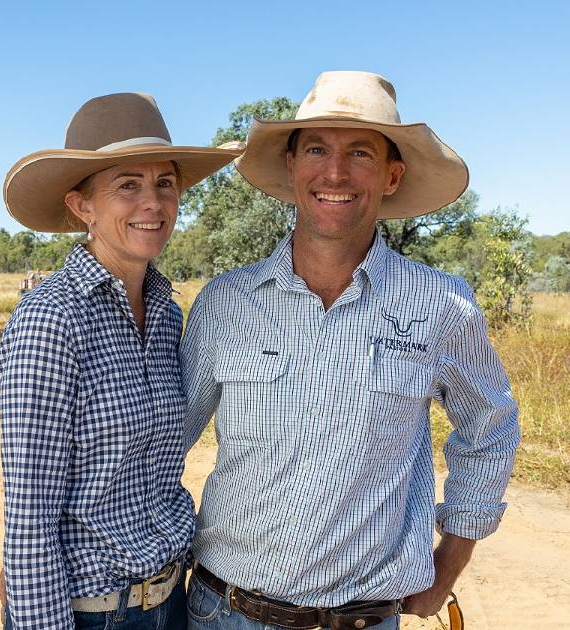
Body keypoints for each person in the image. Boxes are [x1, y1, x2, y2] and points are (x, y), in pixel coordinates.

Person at [180, 71, 521, 630]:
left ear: (392, 175)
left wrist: (450, 563)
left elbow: (491, 424)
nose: (335, 172)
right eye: (316, 148)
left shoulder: (439, 304)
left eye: (360, 152)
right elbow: (161, 444)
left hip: (363, 620)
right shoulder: (226, 302)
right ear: (292, 167)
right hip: (225, 611)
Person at [0, 92, 240, 629]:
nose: (152, 203)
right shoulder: (52, 320)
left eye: (164, 183)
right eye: (126, 185)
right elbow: (30, 515)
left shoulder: (164, 311)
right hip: (93, 615)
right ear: (81, 206)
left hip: (172, 601)